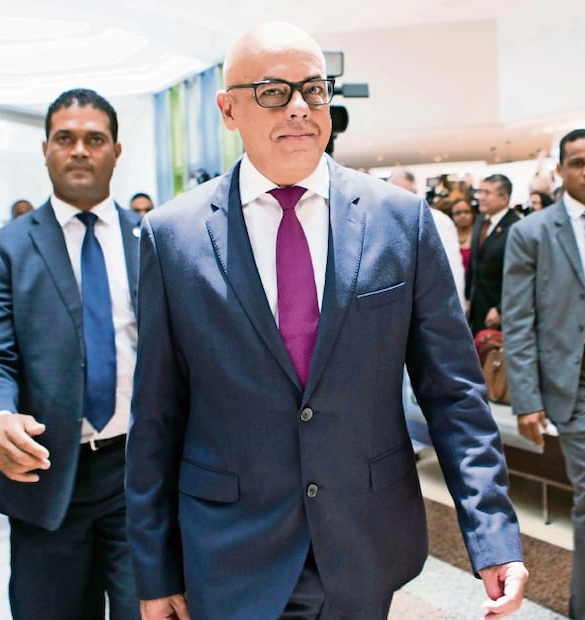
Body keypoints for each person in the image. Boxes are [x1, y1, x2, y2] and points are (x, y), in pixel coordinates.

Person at [125, 22, 527, 620]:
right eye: (272, 92)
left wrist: (493, 535)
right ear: (228, 110)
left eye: (313, 90)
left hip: (364, 541)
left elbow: (453, 392)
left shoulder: (401, 220)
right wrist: (155, 571)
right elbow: (157, 416)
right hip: (232, 550)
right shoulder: (173, 236)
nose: (299, 108)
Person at [0, 88, 142, 619]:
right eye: (65, 138)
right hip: (46, 474)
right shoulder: (7, 249)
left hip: (138, 475)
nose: (80, 150)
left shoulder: (153, 240)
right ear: (45, 150)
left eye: (95, 139)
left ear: (116, 151)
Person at [502, 128, 585, 620]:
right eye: (578, 163)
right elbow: (518, 320)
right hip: (575, 385)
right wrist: (527, 399)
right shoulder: (532, 233)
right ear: (560, 170)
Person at [388, 169, 465, 308]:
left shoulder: (437, 220)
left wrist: (457, 308)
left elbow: (452, 268)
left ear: (414, 192)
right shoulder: (383, 222)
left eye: (402, 192)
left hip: (431, 303)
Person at [466, 174, 521, 335]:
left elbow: (518, 275)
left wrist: (501, 309)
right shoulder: (480, 220)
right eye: (480, 192)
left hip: (501, 313)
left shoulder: (515, 227)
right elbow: (475, 262)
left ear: (504, 198)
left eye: (487, 193)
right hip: (478, 308)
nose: (481, 197)